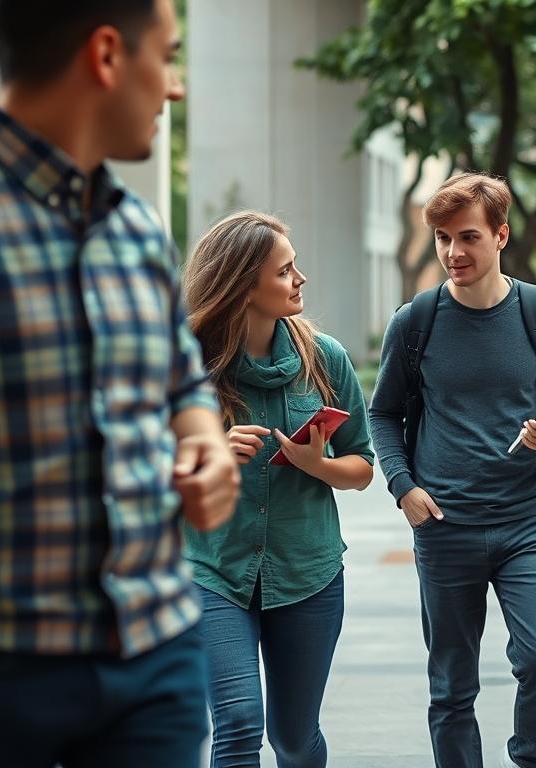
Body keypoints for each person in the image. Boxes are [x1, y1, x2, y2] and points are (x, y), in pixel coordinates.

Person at [0, 2, 240, 765]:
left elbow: (180, 385)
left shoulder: (138, 231)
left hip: (155, 652)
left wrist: (206, 445)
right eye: (166, 57)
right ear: (106, 55)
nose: (175, 86)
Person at [368, 172, 536, 768]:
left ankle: (530, 759)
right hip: (444, 524)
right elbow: (383, 413)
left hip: (530, 519)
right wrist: (403, 488)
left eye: (468, 236)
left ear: (501, 235)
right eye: (443, 238)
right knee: (451, 686)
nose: (454, 251)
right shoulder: (415, 322)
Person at [181, 211, 375, 766]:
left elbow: (362, 466)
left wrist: (317, 464)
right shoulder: (186, 363)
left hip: (308, 573)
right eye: (285, 270)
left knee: (293, 738)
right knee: (239, 722)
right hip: (213, 569)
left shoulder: (325, 359)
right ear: (245, 286)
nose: (300, 278)